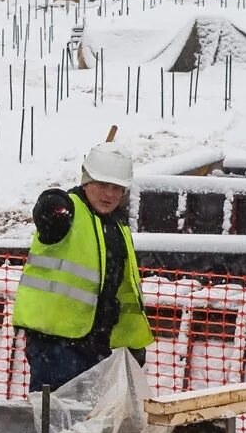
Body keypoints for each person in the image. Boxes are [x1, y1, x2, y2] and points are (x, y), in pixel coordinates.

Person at [12, 140, 154, 391]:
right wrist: (53, 202)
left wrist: (133, 345)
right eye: (102, 184)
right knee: (56, 423)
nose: (109, 194)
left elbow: (123, 290)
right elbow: (48, 211)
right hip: (55, 344)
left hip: (99, 345)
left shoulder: (118, 228)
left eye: (117, 187)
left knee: (91, 424)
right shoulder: (68, 212)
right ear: (86, 181)